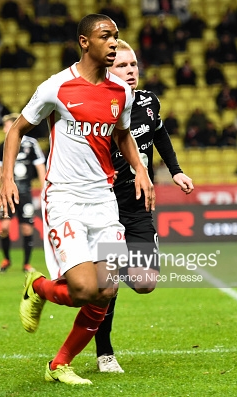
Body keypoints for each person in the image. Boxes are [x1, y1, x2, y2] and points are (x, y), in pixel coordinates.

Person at [0, 14, 154, 385]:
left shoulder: (121, 93)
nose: (113, 43)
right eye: (105, 36)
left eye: (116, 36)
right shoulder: (56, 87)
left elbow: (123, 135)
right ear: (84, 42)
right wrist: (6, 177)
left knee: (108, 289)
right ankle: (36, 286)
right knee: (84, 289)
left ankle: (58, 364)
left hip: (103, 199)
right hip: (64, 198)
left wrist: (141, 170)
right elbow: (17, 130)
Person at [93, 38, 194, 373]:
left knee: (145, 281)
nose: (131, 70)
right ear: (107, 70)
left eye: (133, 64)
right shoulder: (97, 107)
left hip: (138, 205)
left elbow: (160, 133)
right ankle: (104, 353)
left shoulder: (149, 101)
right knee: (107, 286)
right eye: (122, 65)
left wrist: (176, 171)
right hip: (106, 205)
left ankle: (105, 274)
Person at [0, 113, 46, 274]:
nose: (4, 129)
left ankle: (26, 264)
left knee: (27, 229)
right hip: (8, 193)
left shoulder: (31, 144)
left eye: (6, 126)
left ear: (15, 125)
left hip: (25, 192)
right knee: (4, 227)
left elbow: (39, 166)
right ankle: (6, 259)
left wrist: (44, 188)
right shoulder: (3, 145)